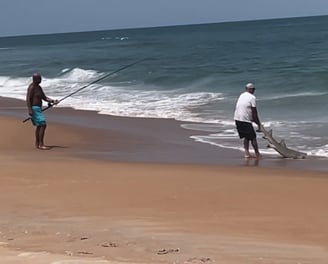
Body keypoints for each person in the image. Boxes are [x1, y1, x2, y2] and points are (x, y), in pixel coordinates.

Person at [26, 73, 58, 150]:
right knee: (43, 124)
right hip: (34, 109)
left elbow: (44, 97)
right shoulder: (32, 87)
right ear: (34, 79)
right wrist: (30, 109)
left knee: (39, 126)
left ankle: (37, 144)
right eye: (39, 79)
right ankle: (41, 144)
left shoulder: (39, 87)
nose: (40, 80)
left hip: (38, 109)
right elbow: (28, 99)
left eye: (40, 78)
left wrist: (53, 101)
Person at [234, 82, 261, 159]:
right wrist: (258, 124)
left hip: (237, 118)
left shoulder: (242, 95)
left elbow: (244, 107)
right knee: (253, 137)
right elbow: (254, 112)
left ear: (246, 89)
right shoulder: (252, 97)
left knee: (246, 136)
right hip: (245, 119)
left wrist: (253, 119)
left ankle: (246, 153)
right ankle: (257, 154)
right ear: (252, 90)